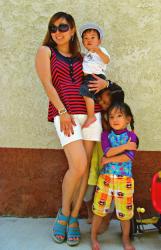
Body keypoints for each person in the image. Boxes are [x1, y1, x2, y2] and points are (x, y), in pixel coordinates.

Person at [35, 11, 109, 246]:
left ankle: (75, 216)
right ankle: (64, 213)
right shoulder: (46, 51)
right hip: (65, 115)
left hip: (90, 115)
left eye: (63, 27)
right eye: (53, 28)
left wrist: (106, 83)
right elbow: (47, 84)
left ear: (73, 29)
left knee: (85, 168)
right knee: (77, 165)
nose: (58, 32)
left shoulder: (82, 56)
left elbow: (98, 73)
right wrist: (62, 112)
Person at [91, 102, 138, 250]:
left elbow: (128, 158)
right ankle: (93, 237)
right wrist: (124, 147)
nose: (115, 119)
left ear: (128, 119)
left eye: (119, 116)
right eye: (111, 116)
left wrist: (108, 160)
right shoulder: (105, 135)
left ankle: (125, 239)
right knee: (99, 211)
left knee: (125, 214)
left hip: (125, 181)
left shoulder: (132, 136)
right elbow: (107, 151)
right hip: (105, 179)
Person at [84, 83, 125, 227]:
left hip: (111, 162)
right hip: (96, 158)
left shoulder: (118, 118)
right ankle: (90, 212)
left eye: (105, 102)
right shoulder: (96, 113)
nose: (101, 103)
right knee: (88, 190)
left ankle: (106, 221)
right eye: (100, 100)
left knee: (111, 192)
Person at [79, 23, 110, 128]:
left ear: (99, 41)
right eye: (86, 38)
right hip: (89, 77)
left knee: (85, 91)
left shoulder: (101, 50)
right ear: (83, 42)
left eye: (93, 37)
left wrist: (98, 50)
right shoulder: (87, 54)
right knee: (96, 98)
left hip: (96, 77)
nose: (89, 40)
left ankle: (91, 116)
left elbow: (106, 60)